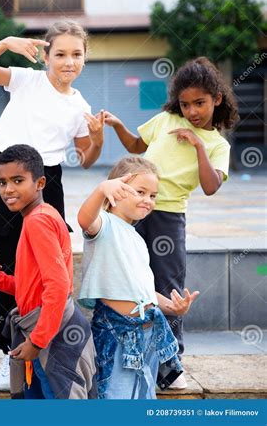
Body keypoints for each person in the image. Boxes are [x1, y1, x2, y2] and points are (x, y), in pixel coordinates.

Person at [0, 20, 104, 390]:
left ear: (85, 59)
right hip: (9, 175)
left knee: (46, 264)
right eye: (60, 53)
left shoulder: (80, 105)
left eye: (77, 54)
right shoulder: (27, 79)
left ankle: (47, 338)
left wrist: (96, 137)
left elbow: (87, 158)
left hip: (48, 180)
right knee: (4, 260)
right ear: (46, 56)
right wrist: (6, 41)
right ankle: (7, 349)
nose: (68, 61)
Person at [102, 57, 238, 389]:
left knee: (169, 283)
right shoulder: (166, 119)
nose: (192, 111)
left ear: (217, 99)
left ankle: (171, 361)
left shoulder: (218, 145)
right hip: (132, 209)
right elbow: (137, 146)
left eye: (200, 103)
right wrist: (119, 125)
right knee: (127, 275)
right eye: (186, 103)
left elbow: (210, 185)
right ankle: (125, 349)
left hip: (168, 216)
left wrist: (197, 145)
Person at [0, 145, 97, 399]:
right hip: (52, 329)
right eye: (2, 182)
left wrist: (37, 342)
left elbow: (57, 285)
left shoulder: (37, 221)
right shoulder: (42, 215)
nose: (8, 189)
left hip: (52, 335)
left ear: (41, 182)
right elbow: (34, 285)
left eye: (18, 180)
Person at [78, 156, 199, 399]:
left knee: (143, 394)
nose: (148, 200)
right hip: (117, 332)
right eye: (140, 192)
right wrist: (102, 189)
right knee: (116, 396)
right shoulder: (105, 225)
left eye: (153, 195)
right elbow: (85, 219)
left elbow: (142, 291)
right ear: (116, 191)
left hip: (147, 334)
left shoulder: (136, 237)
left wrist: (172, 306)